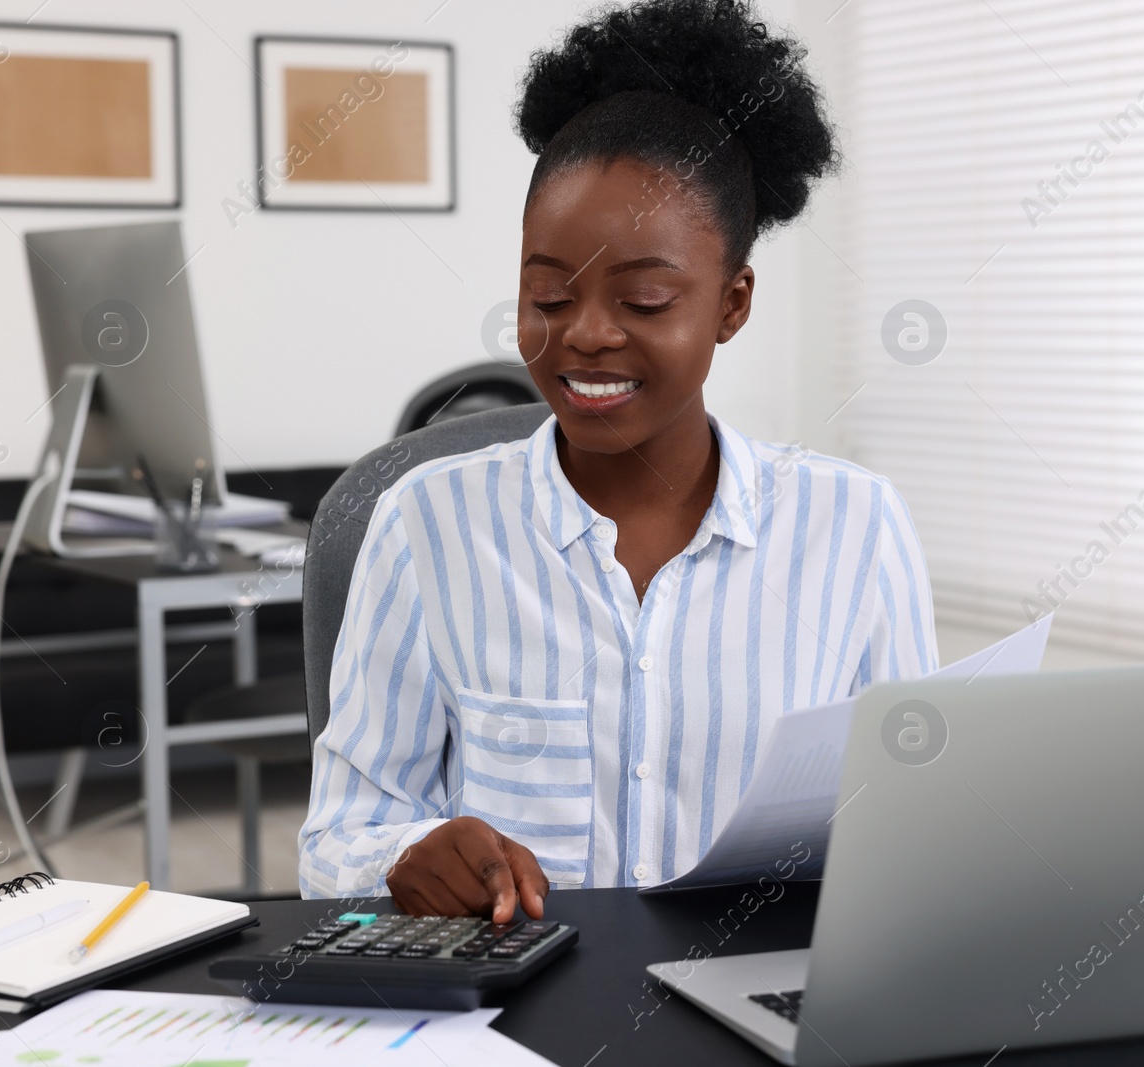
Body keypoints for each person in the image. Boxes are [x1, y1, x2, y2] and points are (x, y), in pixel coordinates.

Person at [299, 0, 936, 919]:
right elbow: (335, 842)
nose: (585, 335)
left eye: (643, 300)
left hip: (747, 1001)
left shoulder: (854, 528)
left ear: (731, 303)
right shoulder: (424, 524)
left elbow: (913, 827)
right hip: (513, 1018)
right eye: (548, 293)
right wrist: (404, 855)